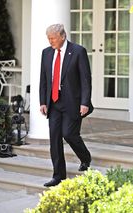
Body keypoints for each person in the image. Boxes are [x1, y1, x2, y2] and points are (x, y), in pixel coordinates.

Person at [39, 24, 92, 187]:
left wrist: (85, 102)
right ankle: (58, 175)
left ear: (63, 36)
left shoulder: (78, 51)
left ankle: (85, 157)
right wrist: (42, 101)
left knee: (69, 134)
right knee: (54, 139)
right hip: (53, 103)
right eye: (48, 38)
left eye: (53, 38)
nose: (50, 41)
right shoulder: (46, 53)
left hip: (73, 102)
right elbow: (44, 79)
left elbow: (85, 79)